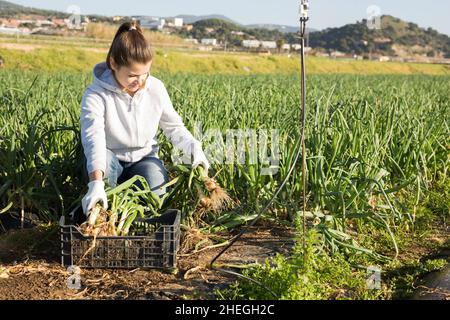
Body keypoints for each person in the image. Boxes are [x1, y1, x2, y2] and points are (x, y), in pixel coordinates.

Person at [80, 21, 209, 216]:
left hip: (144, 158)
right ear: (114, 63)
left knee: (155, 201)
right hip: (110, 158)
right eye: (132, 75)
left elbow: (174, 127)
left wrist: (194, 148)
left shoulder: (156, 88)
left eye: (145, 74)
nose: (139, 82)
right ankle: (105, 214)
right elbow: (94, 138)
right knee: (104, 171)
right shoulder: (95, 95)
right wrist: (96, 182)